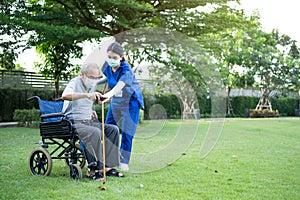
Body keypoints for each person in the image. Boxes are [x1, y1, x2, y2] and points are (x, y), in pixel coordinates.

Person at [62, 62, 124, 180]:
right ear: (82, 74)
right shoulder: (75, 82)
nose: (94, 80)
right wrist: (86, 95)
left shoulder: (91, 86)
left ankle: (108, 167)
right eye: (91, 77)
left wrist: (90, 109)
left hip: (87, 120)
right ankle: (93, 169)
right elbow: (65, 96)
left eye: (96, 78)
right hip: (73, 122)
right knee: (95, 132)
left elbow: (83, 103)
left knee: (113, 130)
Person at [99, 42, 144, 171]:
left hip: (131, 102)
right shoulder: (106, 66)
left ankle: (124, 161)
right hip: (116, 101)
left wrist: (108, 95)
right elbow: (109, 81)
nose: (111, 60)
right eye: (109, 57)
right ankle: (109, 157)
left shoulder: (126, 70)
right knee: (108, 128)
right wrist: (99, 91)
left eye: (114, 58)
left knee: (127, 132)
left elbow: (120, 85)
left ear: (121, 58)